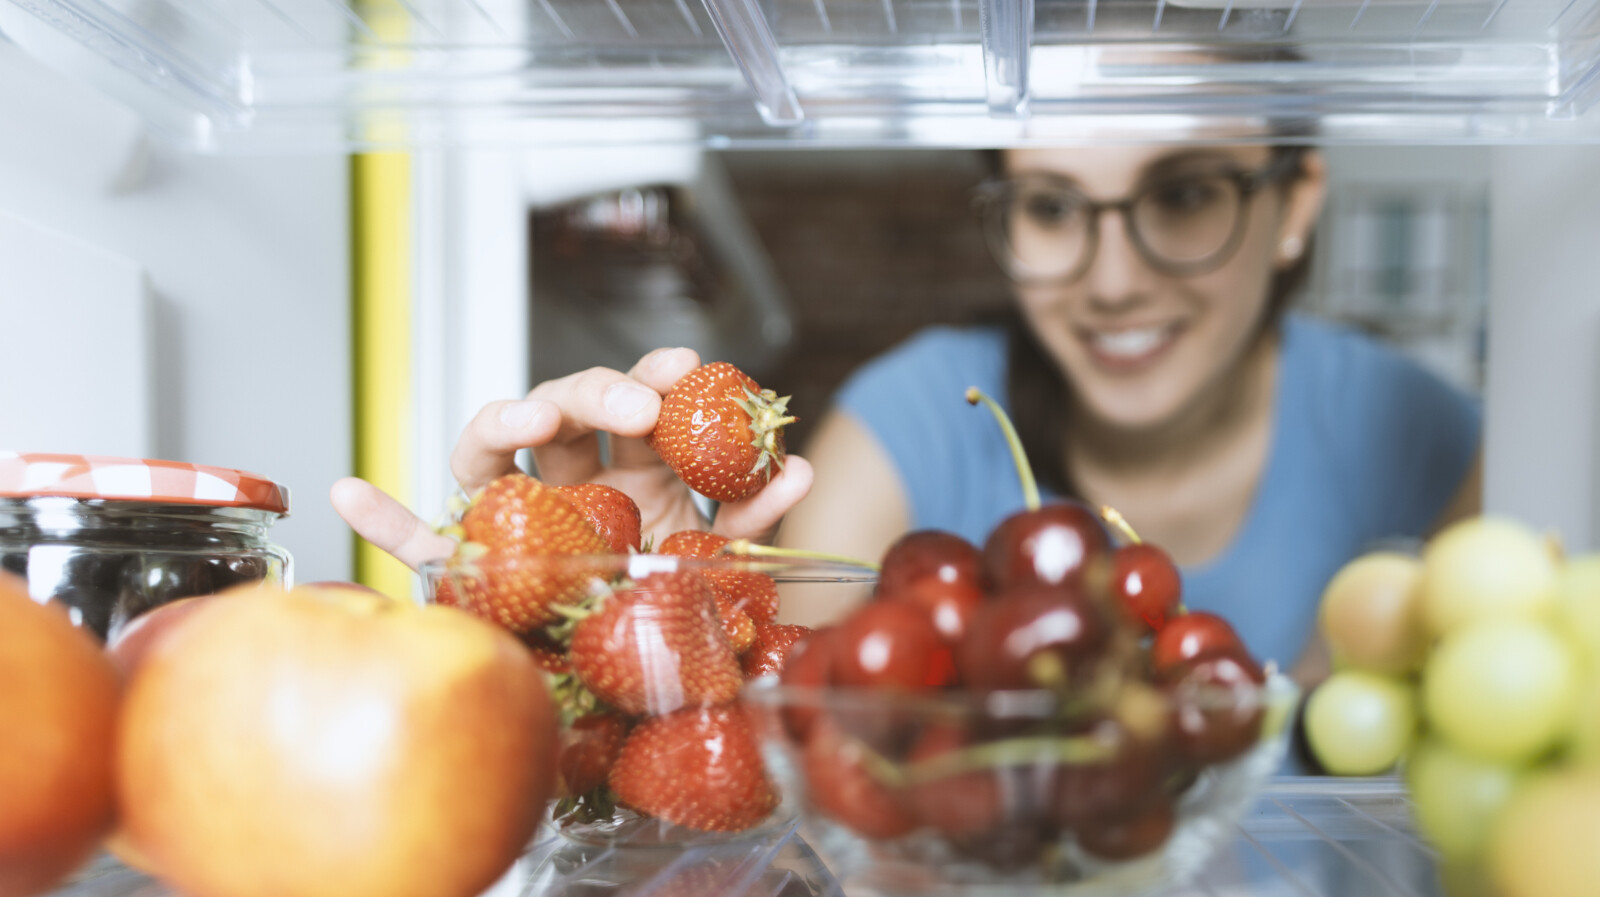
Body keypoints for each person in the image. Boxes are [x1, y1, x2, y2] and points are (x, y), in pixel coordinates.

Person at [331, 143, 1481, 687]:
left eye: (1183, 195)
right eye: (1049, 206)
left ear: (1295, 202)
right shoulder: (917, 411)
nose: (1113, 276)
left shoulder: (1424, 435)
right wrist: (603, 605)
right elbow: (773, 710)